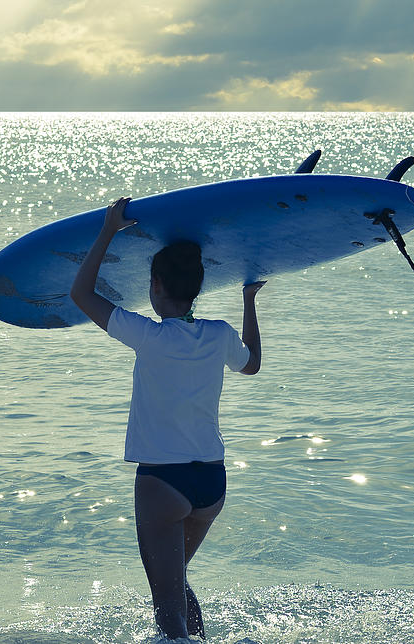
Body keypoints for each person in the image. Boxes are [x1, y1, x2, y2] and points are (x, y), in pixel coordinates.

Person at [70, 196, 265, 641]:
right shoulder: (217, 335)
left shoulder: (147, 335)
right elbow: (251, 363)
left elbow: (80, 294)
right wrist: (248, 297)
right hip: (212, 483)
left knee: (167, 608)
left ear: (156, 285)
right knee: (173, 585)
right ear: (196, 287)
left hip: (163, 483)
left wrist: (108, 231)